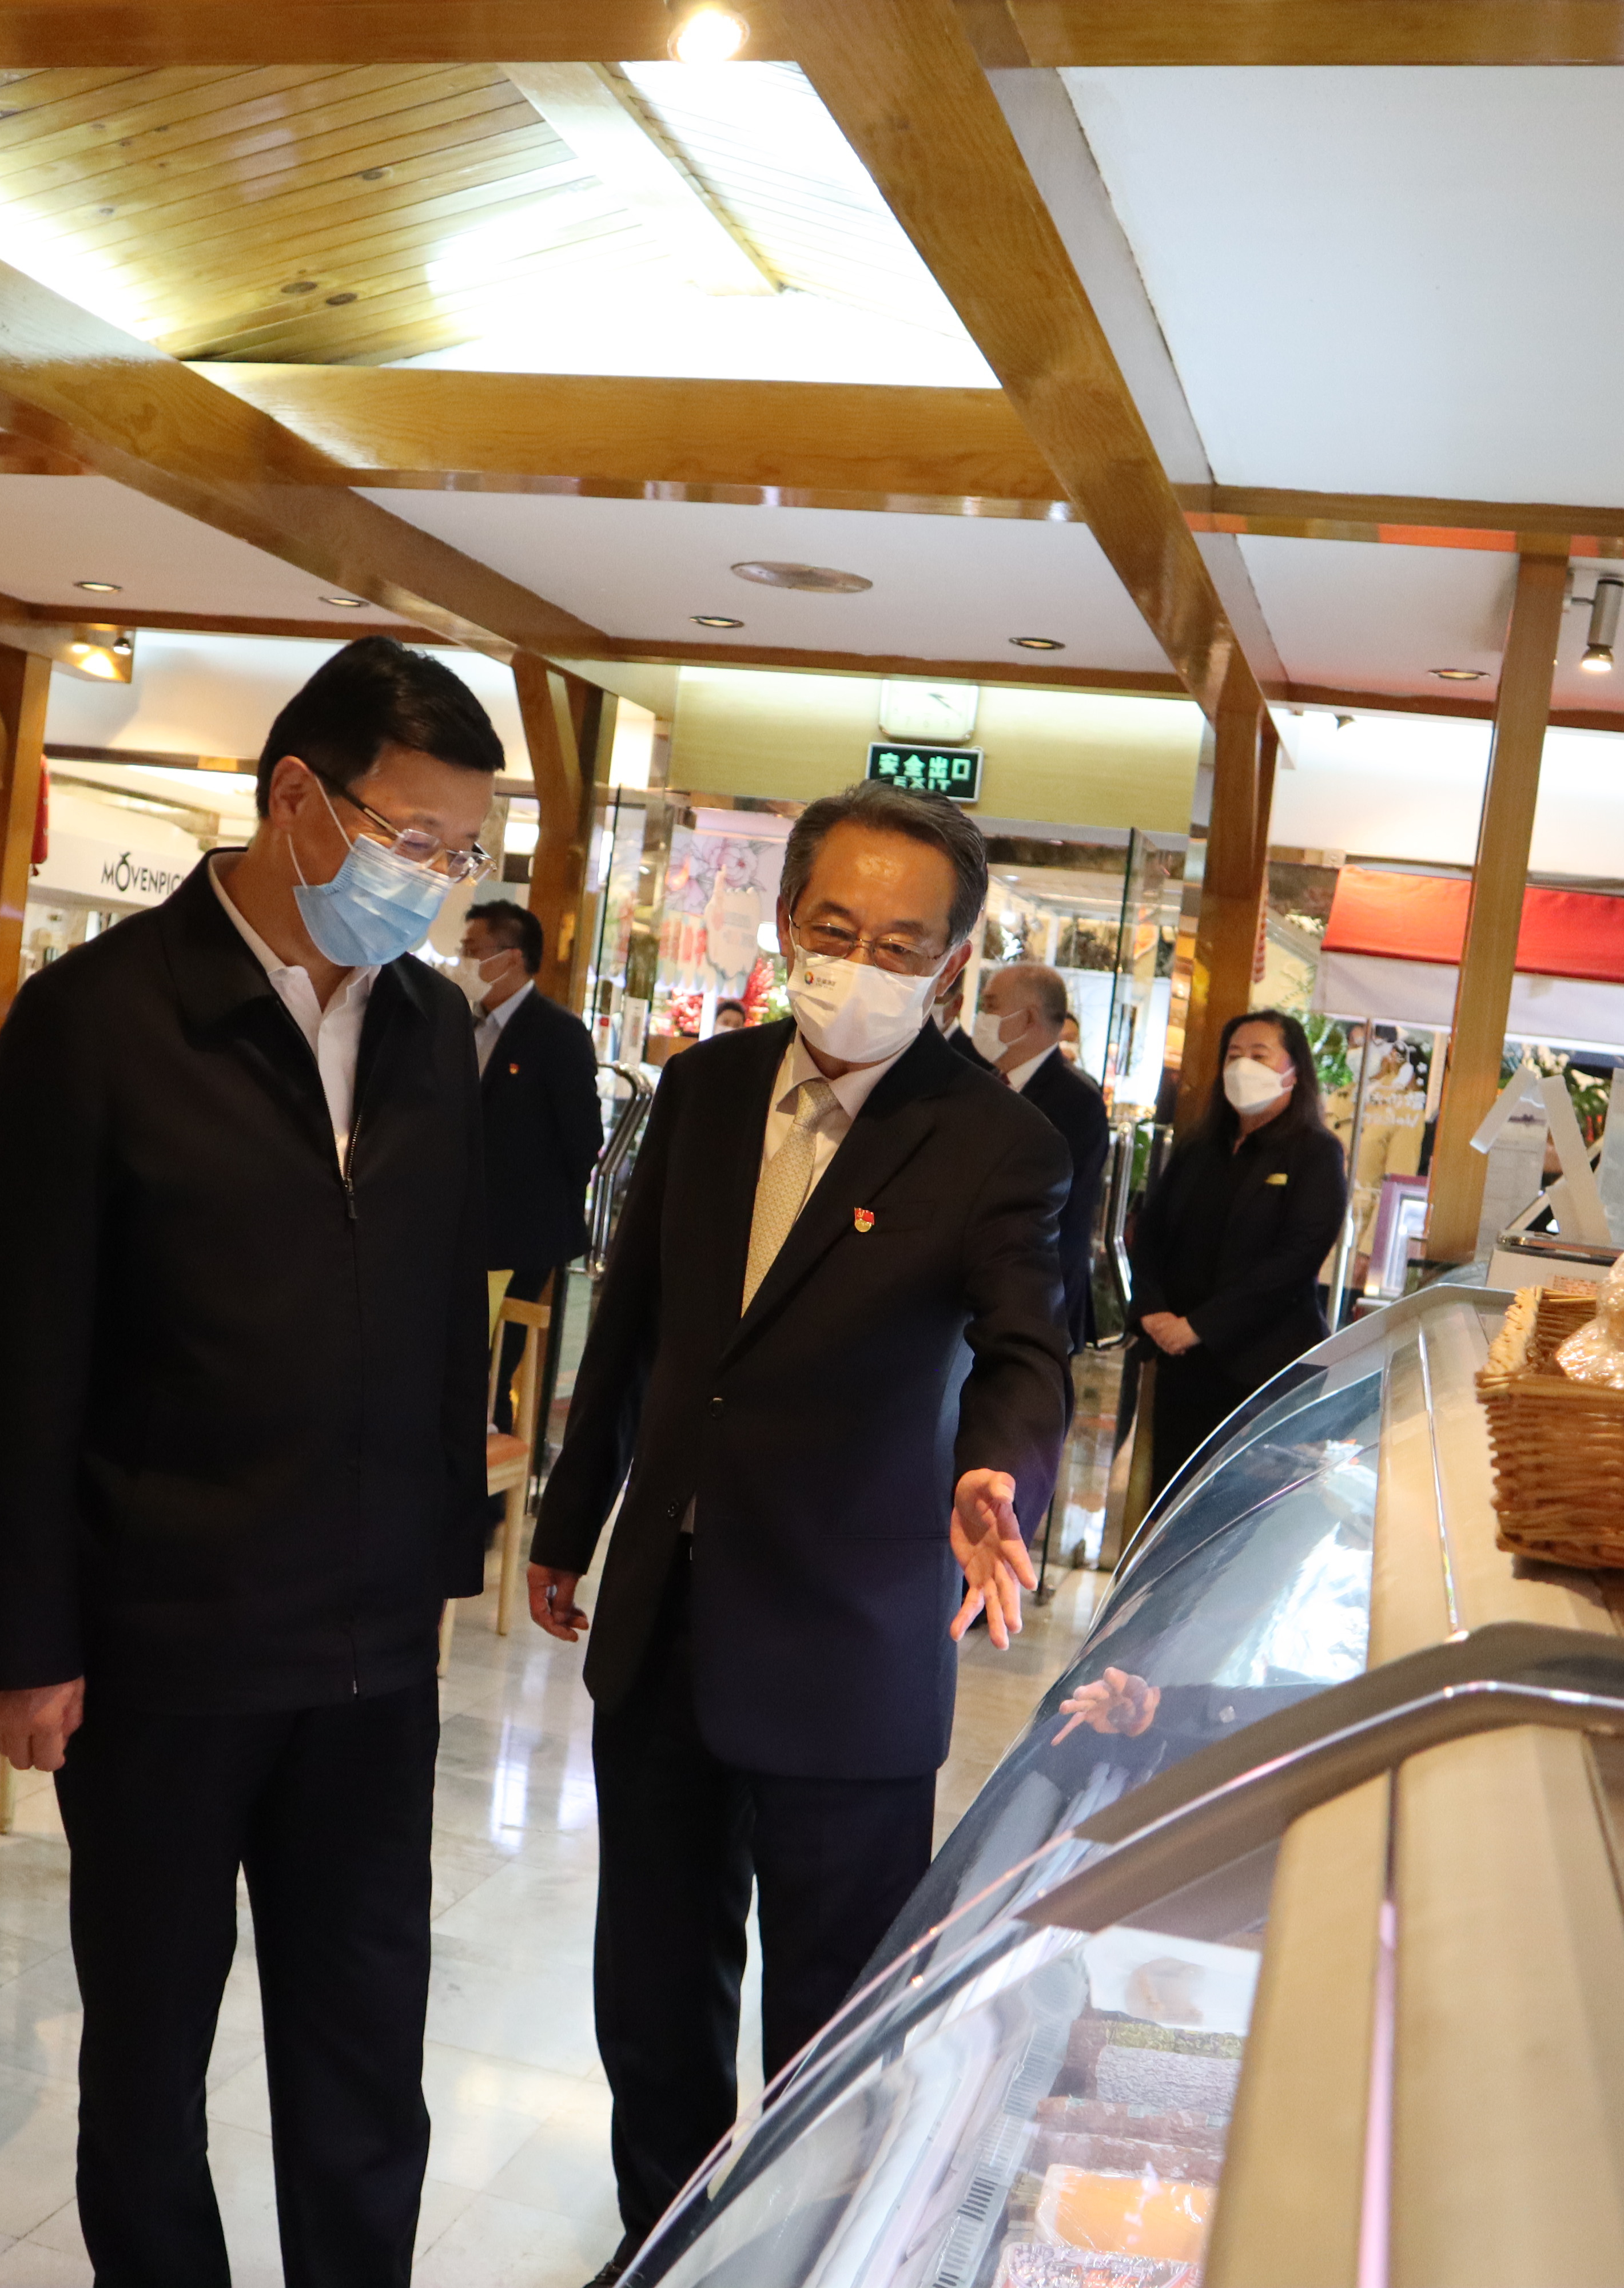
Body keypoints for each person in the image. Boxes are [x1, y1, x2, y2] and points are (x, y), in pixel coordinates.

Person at [0, 635, 496, 2287]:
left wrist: (439, 1559)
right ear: (297, 798)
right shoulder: (103, 1019)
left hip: (369, 1653)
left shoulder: (427, 1028)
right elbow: (18, 1347)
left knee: (364, 2054)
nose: (435, 880)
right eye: (412, 838)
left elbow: (438, 1309)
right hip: (164, 1646)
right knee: (148, 2059)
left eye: (463, 854)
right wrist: (23, 1637)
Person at [524, 781, 1073, 2279]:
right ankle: (667, 2245)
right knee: (653, 1993)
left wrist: (1001, 1478)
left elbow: (1027, 1348)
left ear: (951, 962)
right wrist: (571, 1520)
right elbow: (635, 1324)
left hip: (849, 1639)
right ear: (784, 923)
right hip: (668, 1618)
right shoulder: (703, 1091)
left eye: (902, 943)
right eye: (837, 928)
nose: (862, 963)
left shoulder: (995, 1143)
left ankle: (809, 2259)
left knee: (834, 2015)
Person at [1125, 1007, 1350, 1500]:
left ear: (1294, 1071)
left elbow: (1297, 1258)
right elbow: (1152, 1234)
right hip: (1182, 1365)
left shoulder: (1315, 1152)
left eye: (1259, 1055)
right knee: (1173, 1508)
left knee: (1240, 1513)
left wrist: (1200, 1325)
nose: (1243, 1065)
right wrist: (1153, 1310)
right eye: (1233, 1055)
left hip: (1262, 1371)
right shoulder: (1198, 1148)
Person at [460, 898, 600, 1427]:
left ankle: (489, 1466)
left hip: (520, 1233)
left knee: (494, 1365)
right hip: (461, 1224)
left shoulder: (557, 1033)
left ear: (512, 957)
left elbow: (582, 1140)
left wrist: (537, 1199)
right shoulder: (462, 1024)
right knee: (456, 1358)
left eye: (474, 950)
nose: (464, 961)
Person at [982, 962, 1112, 1349]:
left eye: (991, 1006)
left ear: (1027, 1018)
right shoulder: (986, 1083)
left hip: (1034, 1300)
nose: (983, 1018)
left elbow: (1052, 1205)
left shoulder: (1077, 1100)